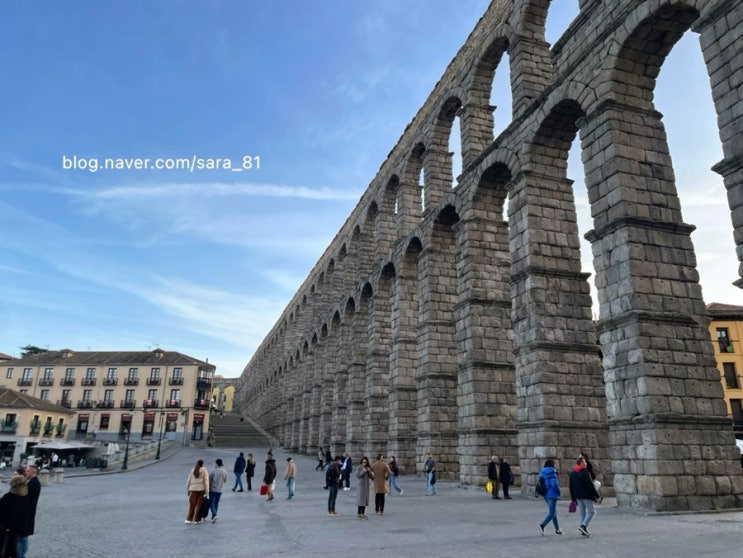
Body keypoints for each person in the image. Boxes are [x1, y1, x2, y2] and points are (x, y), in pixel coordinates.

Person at [569, 456, 600, 537]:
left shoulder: (573, 473)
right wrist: (597, 496)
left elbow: (571, 486)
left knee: (582, 512)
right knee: (591, 511)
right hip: (586, 495)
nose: (586, 463)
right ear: (581, 463)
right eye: (584, 462)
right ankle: (583, 525)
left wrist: (573, 498)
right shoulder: (585, 472)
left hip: (577, 496)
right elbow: (590, 485)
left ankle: (583, 530)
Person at [0, 474, 30, 558]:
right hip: (21, 527)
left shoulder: (8, 497)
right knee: (16, 549)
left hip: (8, 528)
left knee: (6, 548)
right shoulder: (26, 496)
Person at [17, 464, 41, 558]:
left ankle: (21, 555)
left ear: (33, 472)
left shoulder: (34, 483)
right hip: (26, 514)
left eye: (27, 471)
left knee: (23, 538)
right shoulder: (31, 482)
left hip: (27, 514)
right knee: (22, 537)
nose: (25, 473)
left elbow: (28, 500)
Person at [537, 459, 562, 535]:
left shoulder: (542, 472)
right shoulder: (552, 472)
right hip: (552, 494)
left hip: (545, 493)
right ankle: (542, 525)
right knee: (552, 513)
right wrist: (558, 492)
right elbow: (554, 484)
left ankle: (557, 529)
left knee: (553, 512)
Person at [185, 459, 209, 524]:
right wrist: (207, 492)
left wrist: (188, 490)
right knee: (198, 506)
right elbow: (206, 482)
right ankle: (196, 519)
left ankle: (189, 519)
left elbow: (188, 481)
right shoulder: (205, 471)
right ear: (202, 464)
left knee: (192, 505)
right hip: (201, 490)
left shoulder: (193, 470)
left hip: (193, 490)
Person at [208, 458, 228, 523]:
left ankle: (214, 514)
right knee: (216, 503)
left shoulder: (213, 471)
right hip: (220, 490)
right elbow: (225, 480)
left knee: (211, 503)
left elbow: (208, 479)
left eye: (214, 463)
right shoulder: (224, 471)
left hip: (212, 489)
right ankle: (213, 517)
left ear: (217, 463)